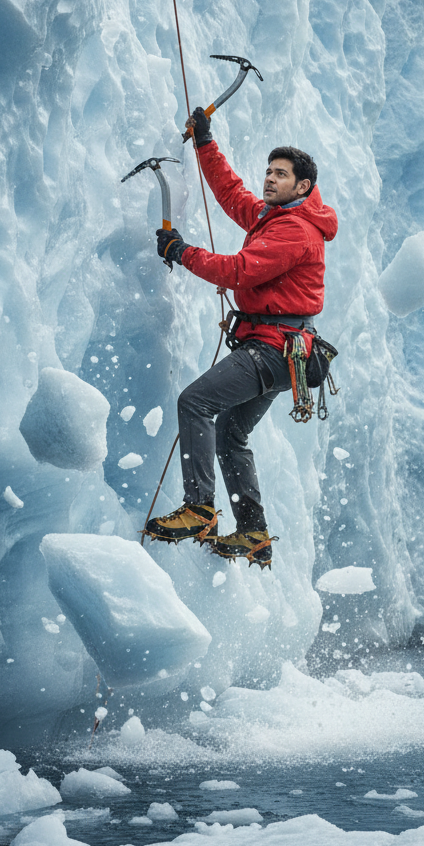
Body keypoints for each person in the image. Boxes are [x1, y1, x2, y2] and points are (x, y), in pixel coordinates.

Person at [145, 106, 338, 569]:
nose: (270, 179)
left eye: (281, 174)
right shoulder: (273, 218)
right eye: (269, 172)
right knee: (232, 434)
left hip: (273, 349)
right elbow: (232, 195)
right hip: (283, 351)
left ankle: (199, 508)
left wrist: (183, 251)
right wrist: (206, 143)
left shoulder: (295, 230)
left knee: (196, 402)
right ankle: (253, 531)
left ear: (303, 187)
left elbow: (238, 271)